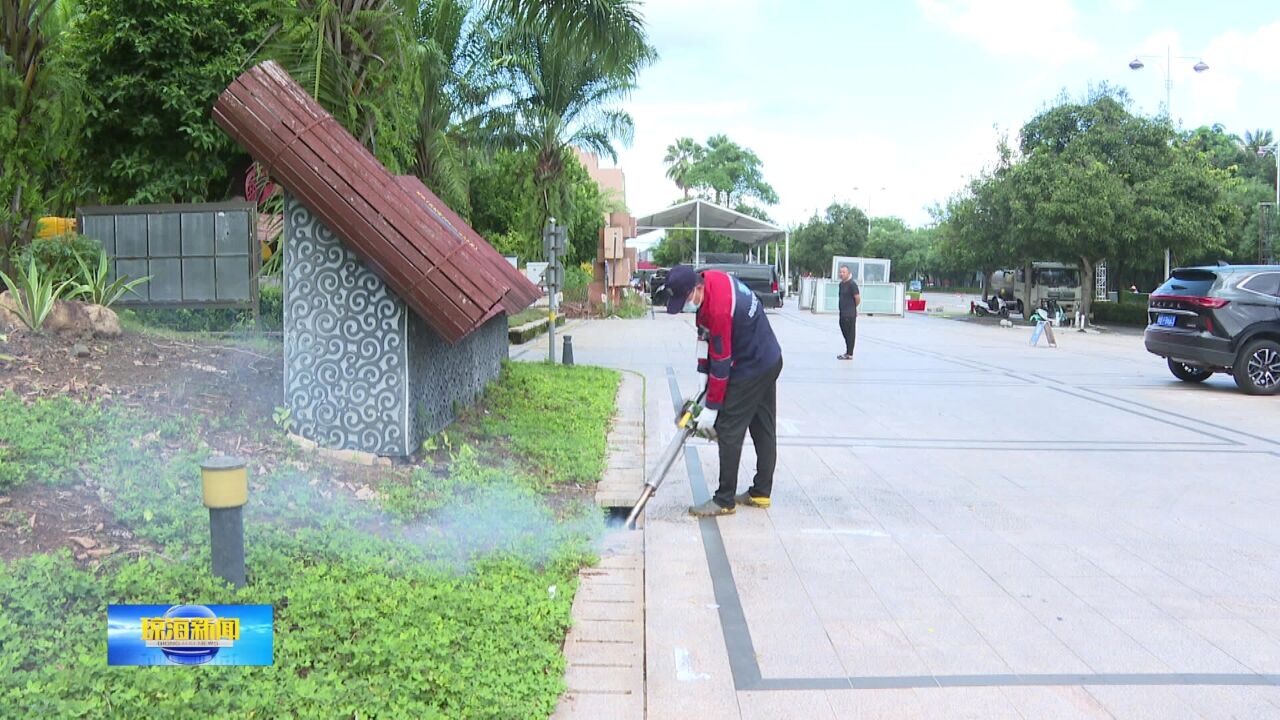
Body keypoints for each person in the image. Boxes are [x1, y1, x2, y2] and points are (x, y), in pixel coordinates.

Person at [661, 265, 783, 517]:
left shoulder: (718, 307)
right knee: (762, 426)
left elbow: (722, 361)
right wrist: (701, 379)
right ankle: (761, 492)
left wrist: (712, 409)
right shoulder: (709, 281)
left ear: (696, 288)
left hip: (754, 364)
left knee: (729, 428)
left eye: (684, 300)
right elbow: (706, 339)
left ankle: (724, 499)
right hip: (769, 356)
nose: (684, 306)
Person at [837, 265, 860, 360]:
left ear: (848, 273)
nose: (842, 274)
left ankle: (849, 353)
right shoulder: (841, 284)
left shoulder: (852, 284)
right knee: (844, 331)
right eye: (840, 272)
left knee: (850, 333)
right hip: (842, 313)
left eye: (844, 272)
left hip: (850, 313)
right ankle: (848, 351)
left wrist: (853, 308)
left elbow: (857, 298)